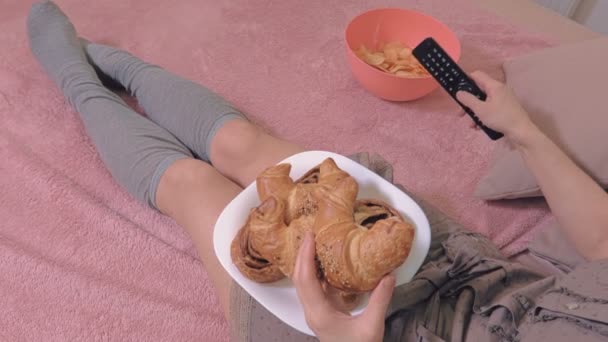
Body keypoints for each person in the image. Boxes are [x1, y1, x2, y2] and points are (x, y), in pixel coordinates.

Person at [27, 2, 608, 341]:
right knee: (242, 143)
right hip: (455, 266)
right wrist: (524, 132)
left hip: (348, 328)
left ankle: (76, 83)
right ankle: (119, 66)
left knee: (191, 185)